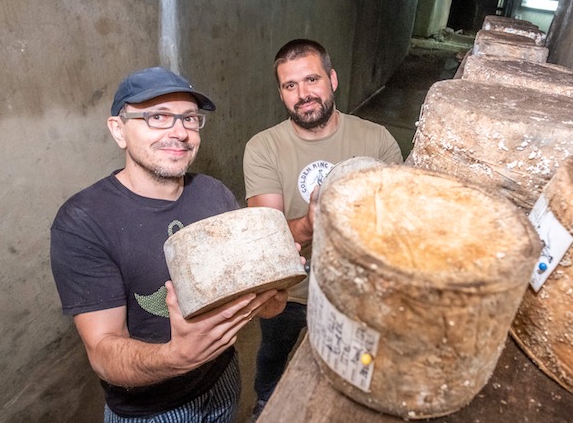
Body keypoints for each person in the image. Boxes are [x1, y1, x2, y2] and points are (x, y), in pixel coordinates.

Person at [50, 67, 289, 422]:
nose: (179, 132)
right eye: (157, 117)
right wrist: (178, 357)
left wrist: (273, 290)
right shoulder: (83, 221)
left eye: (189, 119)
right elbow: (102, 351)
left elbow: (256, 300)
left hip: (223, 381)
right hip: (150, 411)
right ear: (118, 130)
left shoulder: (214, 194)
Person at [243, 39, 404, 419]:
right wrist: (312, 224)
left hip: (355, 293)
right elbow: (267, 240)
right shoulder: (263, 147)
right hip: (290, 291)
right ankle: (265, 403)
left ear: (332, 79)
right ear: (281, 94)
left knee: (349, 374)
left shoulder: (376, 139)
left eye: (312, 79)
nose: (303, 94)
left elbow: (398, 225)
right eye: (290, 86)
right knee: (273, 356)